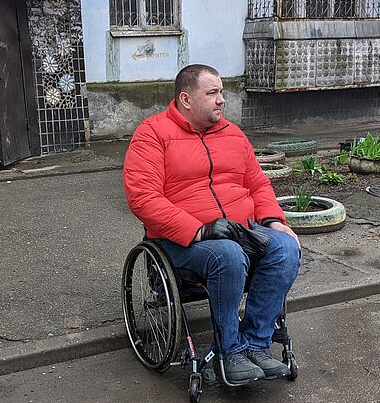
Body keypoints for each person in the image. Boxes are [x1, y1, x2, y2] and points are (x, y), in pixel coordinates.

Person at [123, 64, 302, 384]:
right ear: (186, 99)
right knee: (228, 254)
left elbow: (259, 185)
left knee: (286, 248)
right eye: (213, 93)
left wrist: (274, 221)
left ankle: (255, 344)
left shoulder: (233, 134)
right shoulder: (152, 134)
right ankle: (228, 352)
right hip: (180, 241)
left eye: (222, 92)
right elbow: (143, 198)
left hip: (241, 229)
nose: (222, 100)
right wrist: (199, 230)